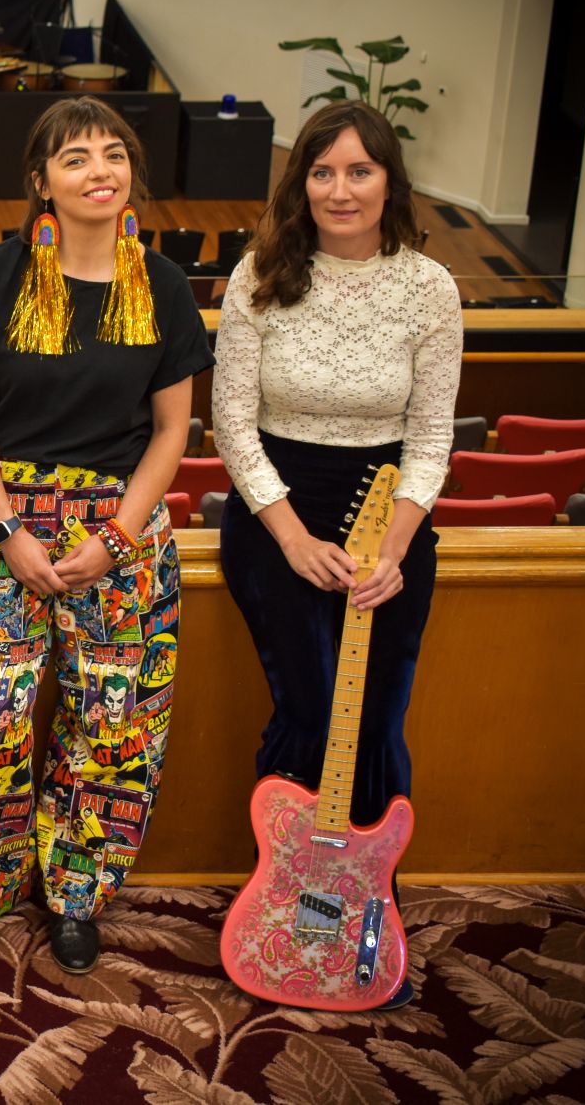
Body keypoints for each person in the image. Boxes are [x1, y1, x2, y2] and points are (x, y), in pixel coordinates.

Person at [0, 95, 211, 974]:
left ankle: (76, 893)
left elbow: (174, 431)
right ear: (40, 183)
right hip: (2, 521)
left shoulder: (163, 285)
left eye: (114, 154)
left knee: (109, 724)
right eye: (76, 158)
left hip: (118, 531)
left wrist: (117, 538)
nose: (100, 171)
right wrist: (9, 527)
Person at [213, 100, 460, 1008]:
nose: (340, 189)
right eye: (323, 171)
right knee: (313, 709)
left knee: (379, 720)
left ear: (389, 180)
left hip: (387, 520)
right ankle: (283, 911)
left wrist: (392, 549)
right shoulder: (259, 276)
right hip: (277, 515)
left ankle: (362, 919)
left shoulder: (431, 288)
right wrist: (292, 535)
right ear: (300, 182)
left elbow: (431, 439)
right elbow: (232, 425)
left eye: (359, 171)